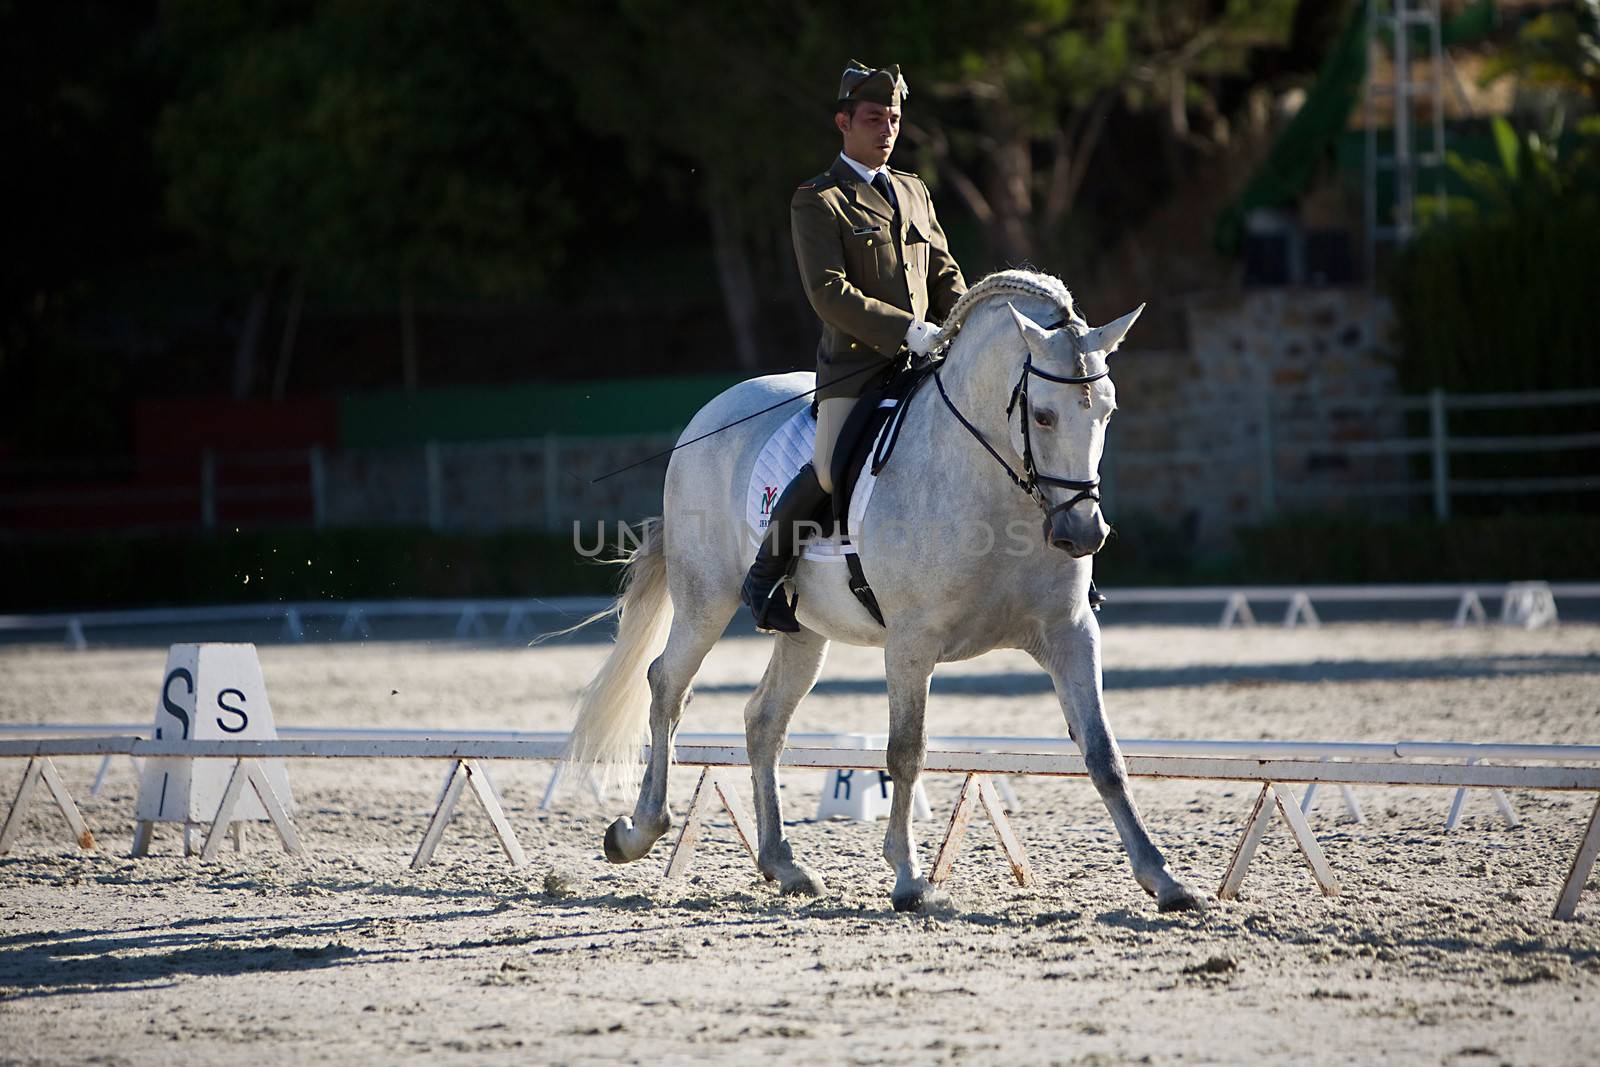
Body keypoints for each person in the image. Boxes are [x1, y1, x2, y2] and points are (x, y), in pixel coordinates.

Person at [740, 60, 966, 633]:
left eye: (893, 118)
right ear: (844, 122)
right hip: (859, 369)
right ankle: (765, 575)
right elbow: (828, 293)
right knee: (828, 465)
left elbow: (944, 273)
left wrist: (964, 323)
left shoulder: (914, 191)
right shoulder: (819, 199)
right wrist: (905, 330)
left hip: (926, 361)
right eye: (873, 118)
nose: (887, 129)